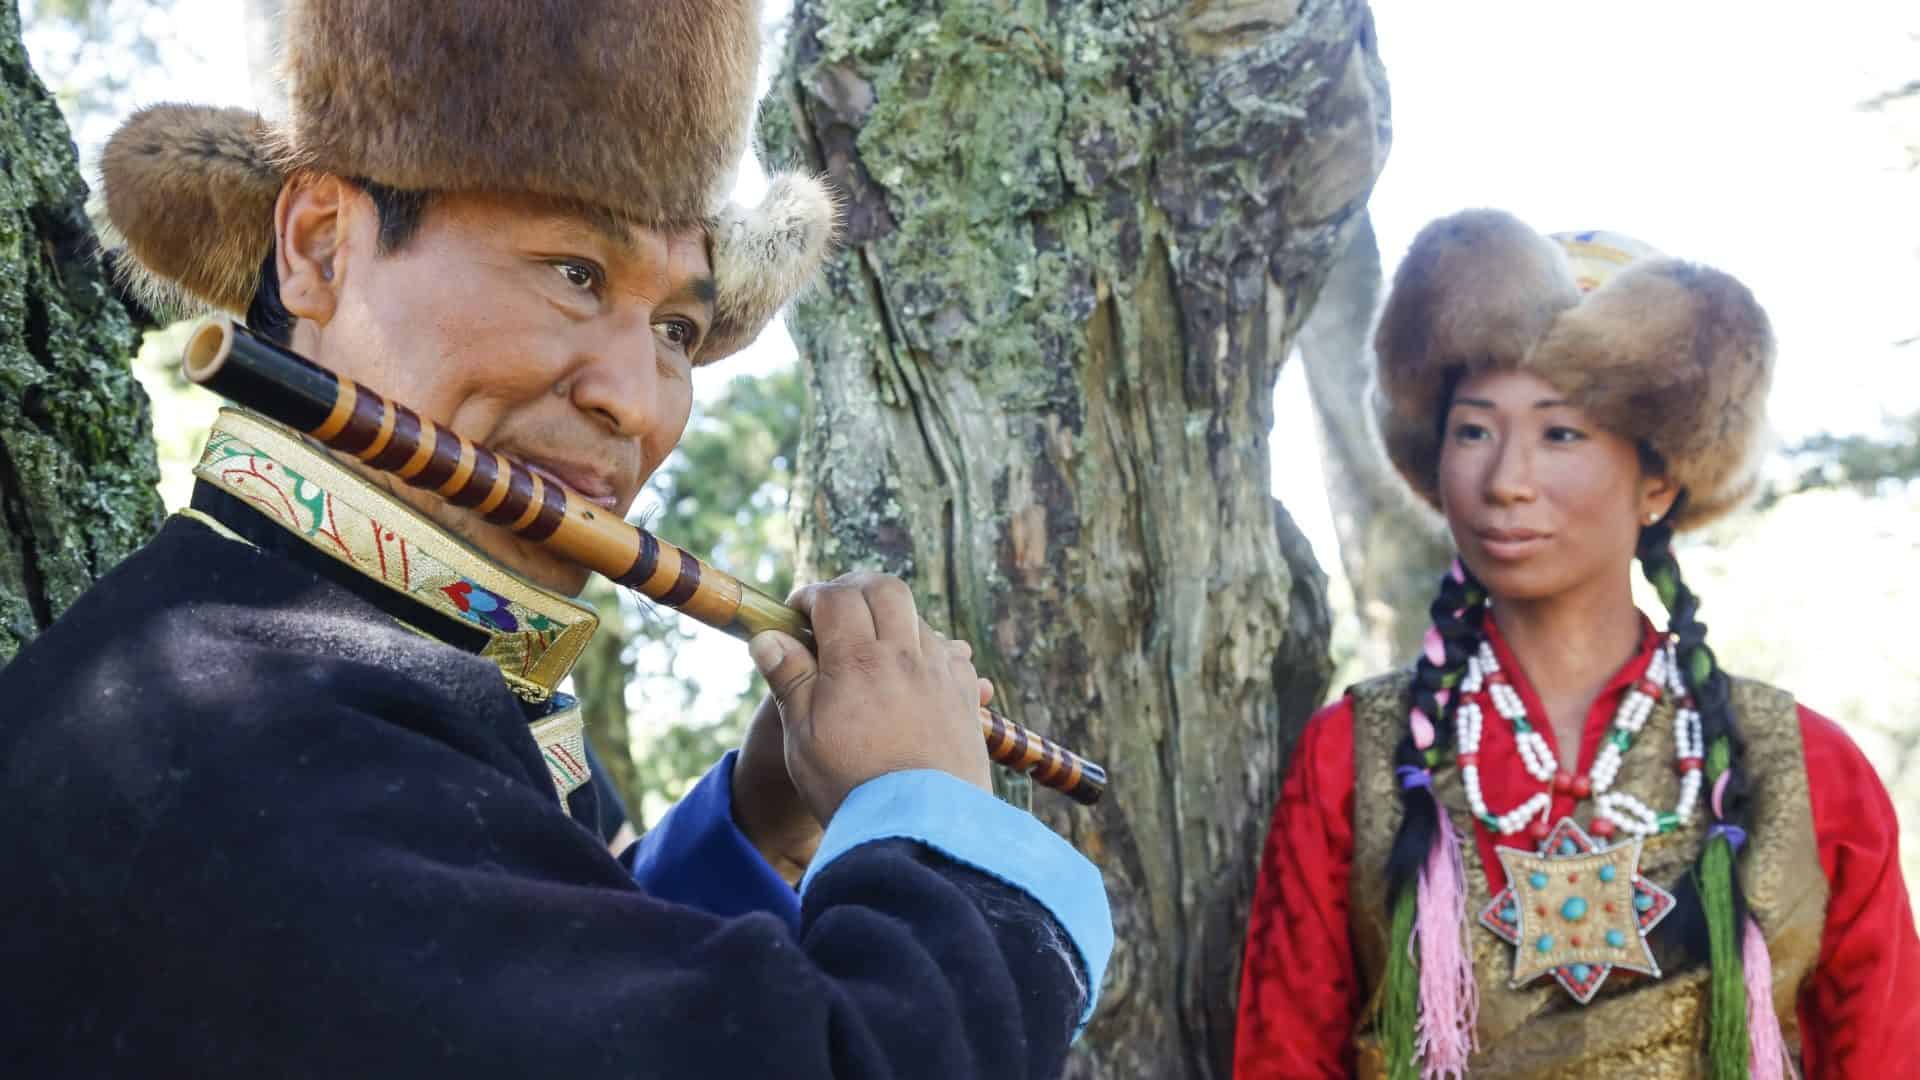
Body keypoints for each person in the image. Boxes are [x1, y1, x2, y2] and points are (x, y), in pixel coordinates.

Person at [0, 2, 1111, 1076]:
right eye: (574, 273)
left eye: (676, 328)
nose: (636, 404)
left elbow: (555, 1000)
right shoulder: (232, 734)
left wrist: (752, 829)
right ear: (320, 246)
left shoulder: (363, 676)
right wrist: (934, 825)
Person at [1234, 210, 1919, 1077]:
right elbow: (1283, 1055)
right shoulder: (1356, 760)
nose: (1507, 481)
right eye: (1474, 430)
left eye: (1561, 434)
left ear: (1659, 480)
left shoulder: (1806, 773)